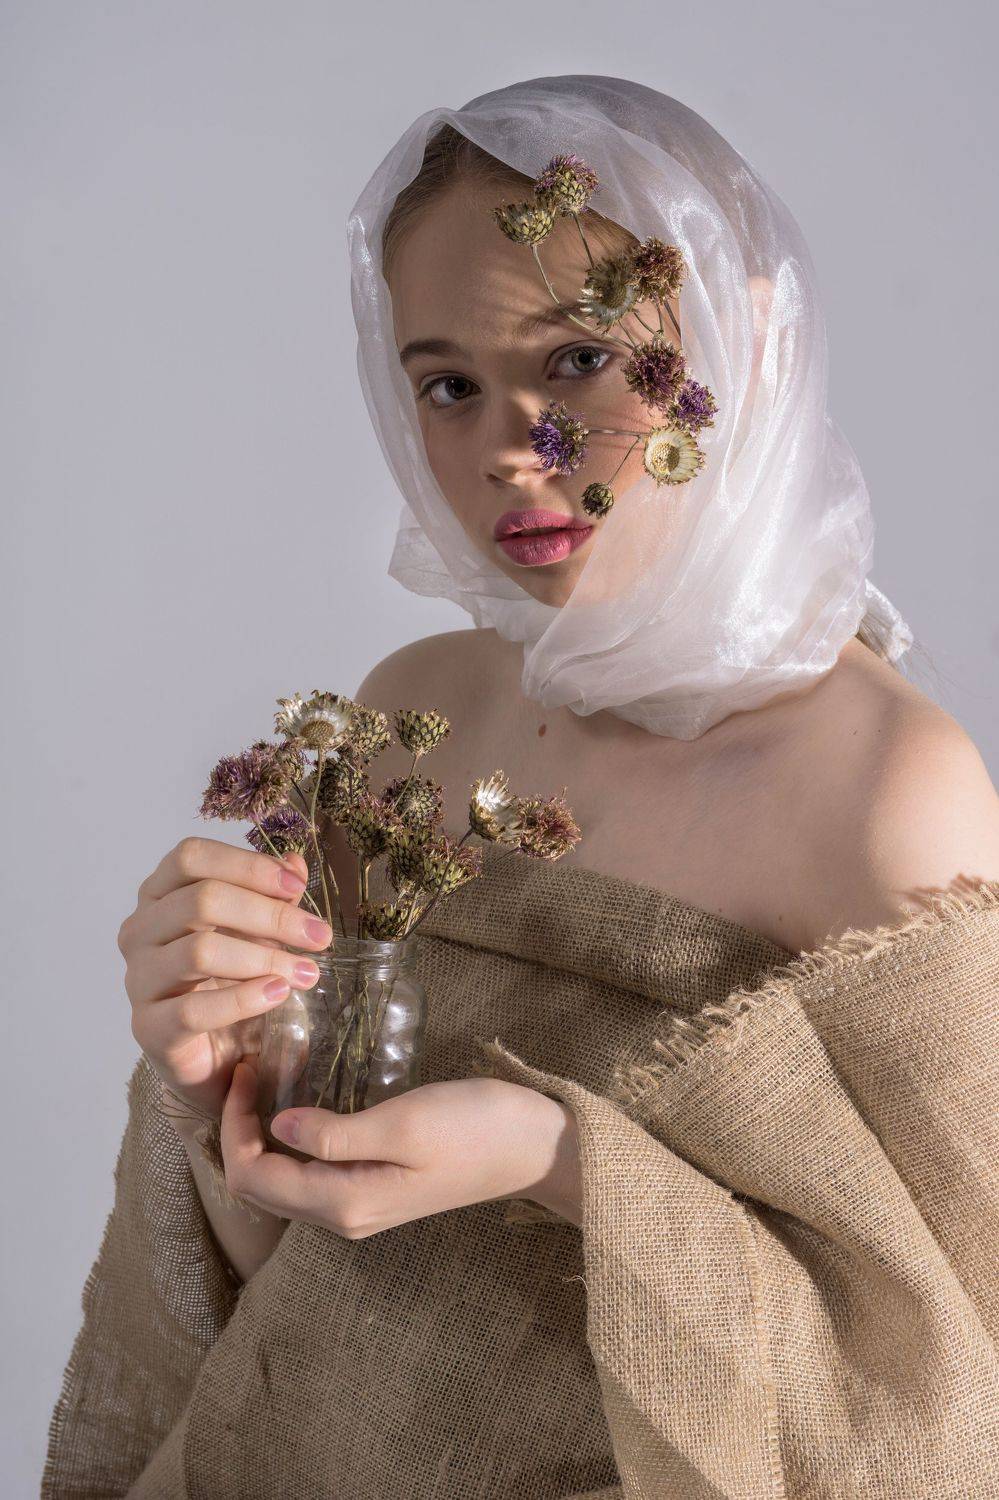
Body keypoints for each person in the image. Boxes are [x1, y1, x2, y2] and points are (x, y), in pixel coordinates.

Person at [43, 76, 999, 1500]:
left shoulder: (886, 794)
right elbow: (288, 1275)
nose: (507, 447)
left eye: (579, 361)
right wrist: (216, 1092)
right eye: (449, 385)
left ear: (750, 337)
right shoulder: (408, 717)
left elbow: (947, 1406)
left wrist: (562, 1161)